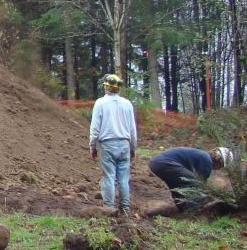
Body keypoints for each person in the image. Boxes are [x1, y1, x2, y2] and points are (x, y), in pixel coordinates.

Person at [88, 74, 138, 215]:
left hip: (107, 145)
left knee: (108, 176)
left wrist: (92, 146)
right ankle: (125, 209)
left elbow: (95, 128)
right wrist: (133, 147)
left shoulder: (100, 103)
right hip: (124, 144)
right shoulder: (127, 104)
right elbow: (132, 129)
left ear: (106, 86)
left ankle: (109, 208)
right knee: (123, 178)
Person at [148, 147, 233, 211]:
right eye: (221, 166)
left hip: (156, 163)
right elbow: (201, 185)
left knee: (177, 187)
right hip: (165, 163)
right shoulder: (207, 161)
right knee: (194, 183)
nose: (218, 169)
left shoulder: (202, 155)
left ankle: (182, 210)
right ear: (219, 160)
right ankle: (193, 211)